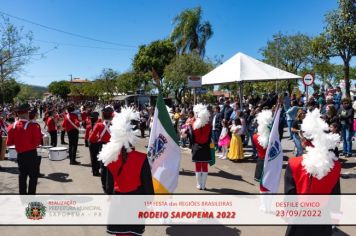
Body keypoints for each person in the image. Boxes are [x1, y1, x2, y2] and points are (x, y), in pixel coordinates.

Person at [98, 107, 153, 236]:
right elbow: (148, 185)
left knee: (120, 232)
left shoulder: (110, 158)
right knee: (133, 232)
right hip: (137, 201)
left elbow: (108, 186)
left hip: (118, 200)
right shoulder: (141, 158)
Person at [284, 109, 341, 236]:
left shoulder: (294, 163)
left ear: (305, 142)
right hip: (323, 215)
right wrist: (335, 216)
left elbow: (290, 195)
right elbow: (335, 195)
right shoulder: (335, 165)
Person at [7, 103, 42, 194]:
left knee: (22, 176)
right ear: (27, 113)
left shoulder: (11, 127)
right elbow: (37, 143)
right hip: (31, 155)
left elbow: (9, 143)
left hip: (20, 155)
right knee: (33, 177)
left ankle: (23, 197)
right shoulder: (34, 126)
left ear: (18, 114)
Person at [89, 106, 114, 188]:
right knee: (112, 166)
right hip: (113, 147)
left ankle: (104, 185)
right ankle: (111, 184)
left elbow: (91, 139)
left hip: (102, 147)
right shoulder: (115, 125)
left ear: (103, 115)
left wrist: (98, 139)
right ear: (111, 115)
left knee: (103, 167)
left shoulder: (99, 125)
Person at [190, 104, 212, 190]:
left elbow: (192, 138)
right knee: (205, 167)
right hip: (206, 147)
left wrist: (192, 146)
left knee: (198, 166)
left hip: (196, 147)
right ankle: (203, 185)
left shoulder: (193, 124)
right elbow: (209, 138)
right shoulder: (209, 125)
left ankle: (199, 185)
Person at [253, 109, 273, 182]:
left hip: (261, 158)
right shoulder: (271, 138)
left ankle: (258, 177)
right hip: (268, 158)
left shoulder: (255, 136)